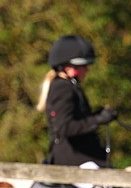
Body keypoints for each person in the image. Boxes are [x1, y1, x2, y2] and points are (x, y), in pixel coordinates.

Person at [38, 35, 118, 176]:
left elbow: (79, 121)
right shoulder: (62, 88)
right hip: (73, 161)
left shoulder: (70, 87)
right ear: (69, 67)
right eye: (84, 66)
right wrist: (98, 120)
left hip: (83, 159)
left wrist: (97, 115)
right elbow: (65, 128)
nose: (87, 70)